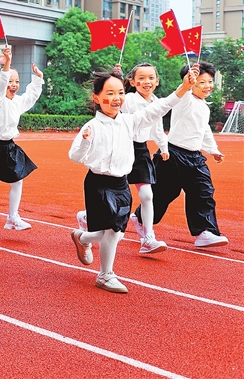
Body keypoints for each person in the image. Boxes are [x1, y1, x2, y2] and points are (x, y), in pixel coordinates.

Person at [69, 66, 197, 293]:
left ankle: (84, 239)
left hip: (120, 183)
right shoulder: (92, 126)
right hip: (98, 183)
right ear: (96, 97)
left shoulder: (129, 122)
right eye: (109, 93)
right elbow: (75, 156)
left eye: (119, 93)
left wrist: (184, 88)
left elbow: (159, 107)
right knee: (111, 231)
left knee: (116, 231)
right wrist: (86, 142)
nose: (116, 98)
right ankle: (105, 273)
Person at [133, 62, 229, 248]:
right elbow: (183, 90)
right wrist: (187, 82)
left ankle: (205, 232)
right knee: (163, 194)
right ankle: (140, 218)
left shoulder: (204, 107)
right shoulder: (185, 99)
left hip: (195, 157)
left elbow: (204, 131)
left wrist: (213, 150)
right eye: (201, 82)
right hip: (173, 155)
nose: (208, 85)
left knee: (204, 191)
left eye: (210, 81)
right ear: (191, 83)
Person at [0, 47, 43, 230]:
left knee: (18, 178)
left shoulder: (17, 102)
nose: (14, 84)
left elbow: (31, 96)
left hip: (8, 147)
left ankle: (12, 217)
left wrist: (38, 78)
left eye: (17, 81)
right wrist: (6, 63)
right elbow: (0, 86)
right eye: (10, 81)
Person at [114, 63, 169, 254]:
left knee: (147, 195)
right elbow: (113, 105)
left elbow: (158, 128)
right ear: (132, 81)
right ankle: (88, 218)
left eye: (151, 78)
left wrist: (163, 146)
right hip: (122, 147)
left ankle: (148, 238)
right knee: (114, 195)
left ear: (157, 81)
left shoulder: (157, 102)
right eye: (142, 78)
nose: (147, 82)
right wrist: (115, 78)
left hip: (141, 150)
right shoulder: (128, 99)